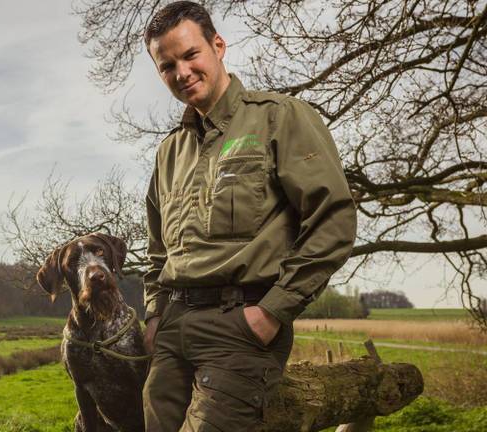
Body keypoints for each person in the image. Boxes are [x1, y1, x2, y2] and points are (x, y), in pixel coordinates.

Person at [140, 2, 357, 431]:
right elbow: (157, 250)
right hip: (174, 327)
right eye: (167, 66)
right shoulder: (169, 152)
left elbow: (332, 219)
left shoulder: (280, 117)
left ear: (218, 46)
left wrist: (272, 312)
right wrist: (154, 317)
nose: (181, 73)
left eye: (190, 55)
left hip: (240, 325)